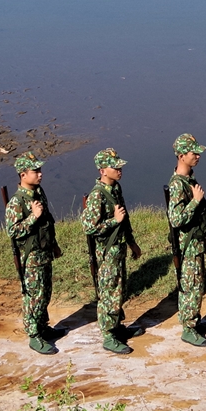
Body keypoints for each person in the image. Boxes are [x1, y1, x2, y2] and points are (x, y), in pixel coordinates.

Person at [80, 148, 144, 355]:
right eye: (114, 167)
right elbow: (88, 227)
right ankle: (108, 335)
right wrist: (112, 221)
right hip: (106, 253)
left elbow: (124, 220)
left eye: (119, 166)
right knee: (108, 292)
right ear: (102, 170)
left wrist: (132, 242)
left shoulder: (116, 189)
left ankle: (116, 327)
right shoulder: (97, 195)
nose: (119, 170)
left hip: (118, 249)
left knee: (119, 289)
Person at [5, 152, 62, 355]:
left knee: (45, 292)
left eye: (39, 170)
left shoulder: (39, 193)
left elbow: (47, 220)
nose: (40, 174)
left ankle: (43, 326)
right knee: (33, 297)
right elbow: (13, 231)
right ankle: (34, 335)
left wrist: (54, 244)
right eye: (35, 171)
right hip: (30, 258)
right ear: (23, 175)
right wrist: (33, 218)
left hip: (44, 252)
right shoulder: (16, 203)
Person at [167, 133, 206, 347]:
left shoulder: (189, 179)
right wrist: (195, 202)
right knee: (190, 286)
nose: (198, 156)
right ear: (181, 155)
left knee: (197, 284)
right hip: (187, 245)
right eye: (193, 153)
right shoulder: (178, 185)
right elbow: (176, 219)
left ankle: (194, 321)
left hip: (195, 242)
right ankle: (188, 328)